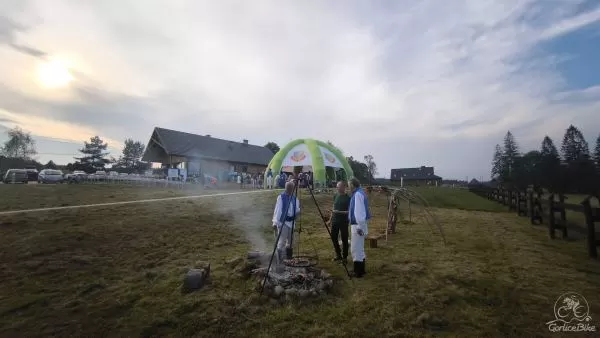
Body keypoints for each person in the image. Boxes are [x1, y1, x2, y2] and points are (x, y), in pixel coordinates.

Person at [272, 181, 301, 263]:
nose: (290, 189)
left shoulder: (295, 198)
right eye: (288, 188)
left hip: (291, 222)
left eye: (291, 188)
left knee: (291, 241)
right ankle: (279, 259)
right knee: (281, 241)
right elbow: (277, 210)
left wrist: (297, 213)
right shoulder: (281, 197)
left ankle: (289, 257)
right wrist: (275, 222)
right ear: (286, 188)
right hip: (283, 222)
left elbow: (297, 209)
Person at [348, 178, 371, 278]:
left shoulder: (357, 194)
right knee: (360, 248)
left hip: (357, 226)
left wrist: (359, 227)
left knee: (355, 248)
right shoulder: (360, 193)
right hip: (360, 225)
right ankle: (361, 270)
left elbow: (359, 212)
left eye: (349, 185)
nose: (349, 187)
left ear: (353, 185)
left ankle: (358, 272)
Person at [331, 181, 351, 263]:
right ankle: (338, 255)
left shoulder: (348, 198)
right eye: (336, 186)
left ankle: (345, 257)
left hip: (344, 221)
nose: (337, 188)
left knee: (344, 239)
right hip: (335, 221)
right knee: (333, 237)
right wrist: (330, 219)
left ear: (343, 187)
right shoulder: (335, 195)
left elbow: (349, 211)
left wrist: (338, 212)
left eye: (338, 187)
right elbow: (333, 207)